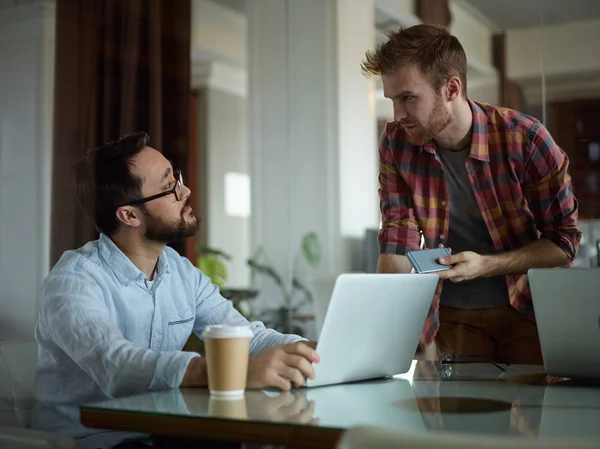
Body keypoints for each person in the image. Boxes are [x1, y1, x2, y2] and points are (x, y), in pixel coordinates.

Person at [32, 132, 319, 449]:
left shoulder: (180, 272)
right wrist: (230, 373)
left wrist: (314, 353)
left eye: (177, 178)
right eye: (169, 186)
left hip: (159, 432)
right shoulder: (73, 281)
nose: (186, 190)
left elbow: (247, 335)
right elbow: (116, 365)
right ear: (129, 215)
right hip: (92, 440)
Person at [361, 24, 581, 365]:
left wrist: (487, 266)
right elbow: (397, 242)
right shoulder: (395, 143)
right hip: (452, 317)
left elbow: (563, 243)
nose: (397, 115)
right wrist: (380, 329)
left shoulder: (525, 139)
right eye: (392, 100)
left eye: (408, 98)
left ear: (451, 88)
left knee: (540, 412)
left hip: (529, 311)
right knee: (461, 417)